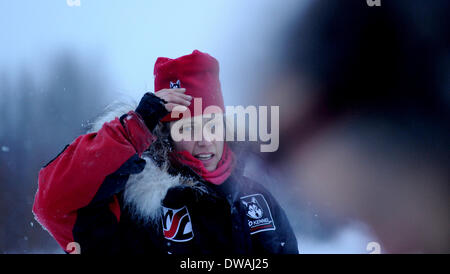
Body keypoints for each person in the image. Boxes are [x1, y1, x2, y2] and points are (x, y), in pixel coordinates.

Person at [32, 50, 298, 254]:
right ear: (166, 135)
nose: (205, 140)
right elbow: (53, 205)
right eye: (189, 128)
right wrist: (133, 128)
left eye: (212, 125)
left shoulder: (257, 199)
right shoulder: (133, 204)